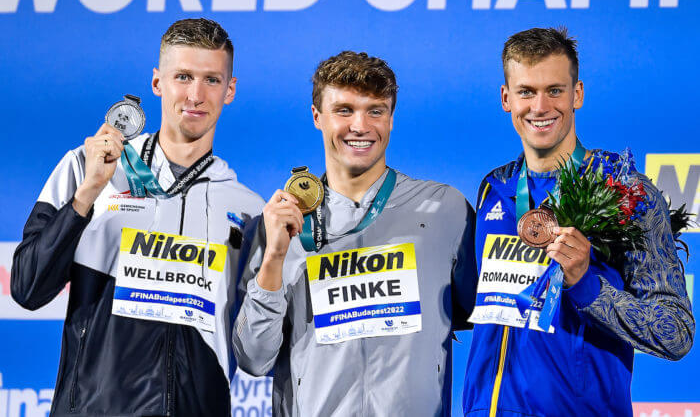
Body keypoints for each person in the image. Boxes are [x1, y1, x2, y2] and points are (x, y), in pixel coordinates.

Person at [11, 18, 264, 416]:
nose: (196, 95)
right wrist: (87, 195)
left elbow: (256, 348)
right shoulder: (86, 166)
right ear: (157, 83)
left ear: (229, 90)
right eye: (182, 76)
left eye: (211, 80)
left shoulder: (248, 210)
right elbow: (27, 288)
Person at [461, 27, 695, 416]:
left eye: (554, 90)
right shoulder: (494, 187)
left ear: (577, 94)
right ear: (506, 98)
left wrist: (588, 286)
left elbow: (675, 332)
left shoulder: (624, 190)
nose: (540, 106)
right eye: (526, 92)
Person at [232, 50, 477, 416]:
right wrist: (274, 258)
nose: (360, 126)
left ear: (391, 118)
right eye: (344, 110)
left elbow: (479, 314)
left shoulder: (446, 209)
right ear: (317, 116)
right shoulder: (280, 222)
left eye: (375, 110)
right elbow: (253, 358)